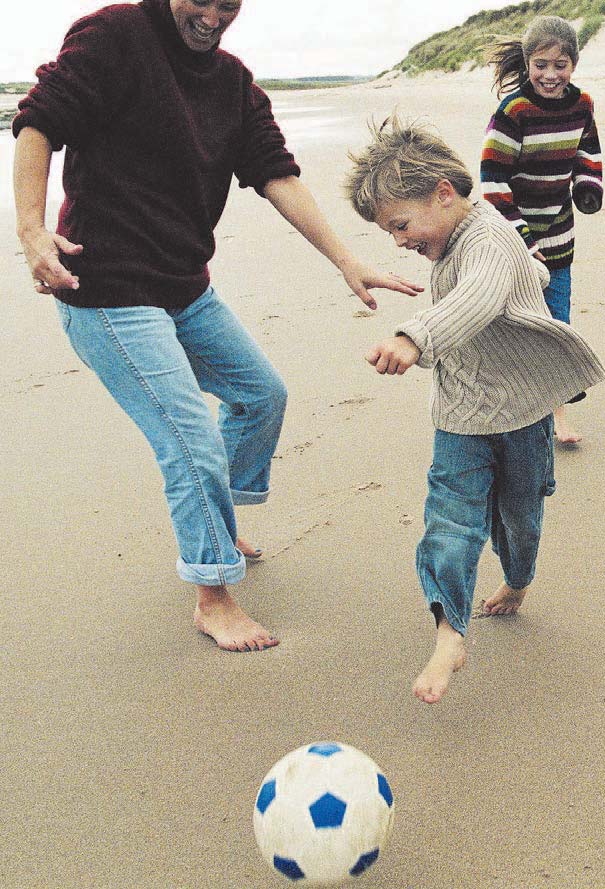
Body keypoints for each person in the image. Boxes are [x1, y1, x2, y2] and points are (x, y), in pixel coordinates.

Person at [12, 0, 419, 652]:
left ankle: (214, 521)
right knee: (192, 437)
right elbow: (38, 124)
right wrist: (32, 230)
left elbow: (276, 173)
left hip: (183, 288)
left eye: (227, 4)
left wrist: (347, 259)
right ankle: (212, 595)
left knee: (261, 396)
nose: (212, 14)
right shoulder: (113, 35)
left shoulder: (232, 83)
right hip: (106, 291)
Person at [345, 118, 605, 704]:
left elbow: (482, 295)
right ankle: (449, 631)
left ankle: (518, 579)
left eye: (400, 225)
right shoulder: (452, 234)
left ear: (443, 192)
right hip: (460, 417)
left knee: (519, 517)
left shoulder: (489, 238)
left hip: (520, 416)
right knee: (451, 520)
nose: (399, 241)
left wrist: (414, 336)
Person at [480, 15, 603, 443]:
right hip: (513, 238)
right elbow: (493, 183)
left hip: (560, 236)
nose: (551, 75)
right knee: (516, 323)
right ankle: (509, 404)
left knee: (557, 323)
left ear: (574, 63)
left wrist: (588, 187)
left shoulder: (582, 104)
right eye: (541, 65)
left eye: (561, 64)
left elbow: (589, 150)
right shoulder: (514, 111)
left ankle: (556, 416)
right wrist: (523, 240)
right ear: (528, 63)